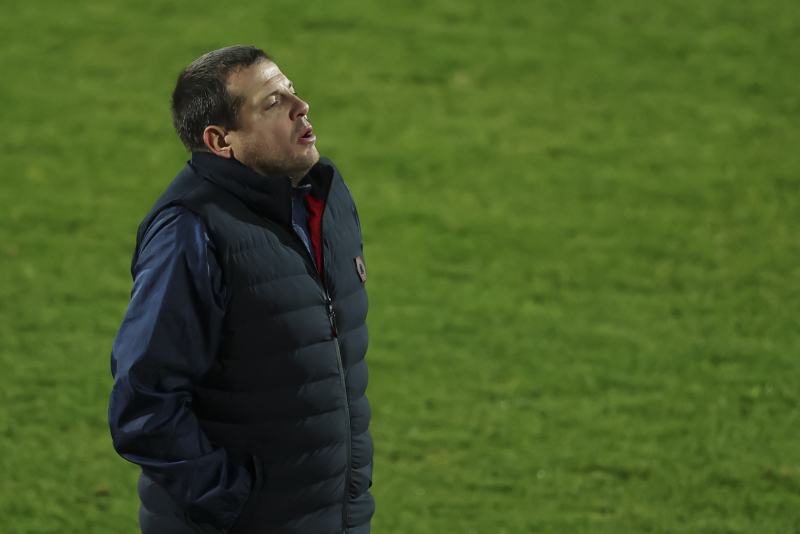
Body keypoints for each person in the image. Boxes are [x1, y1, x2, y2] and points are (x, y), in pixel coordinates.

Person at [108, 45, 374, 534]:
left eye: (291, 90)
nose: (301, 106)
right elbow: (144, 403)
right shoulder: (190, 231)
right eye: (272, 102)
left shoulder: (325, 198)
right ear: (220, 141)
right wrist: (233, 503)